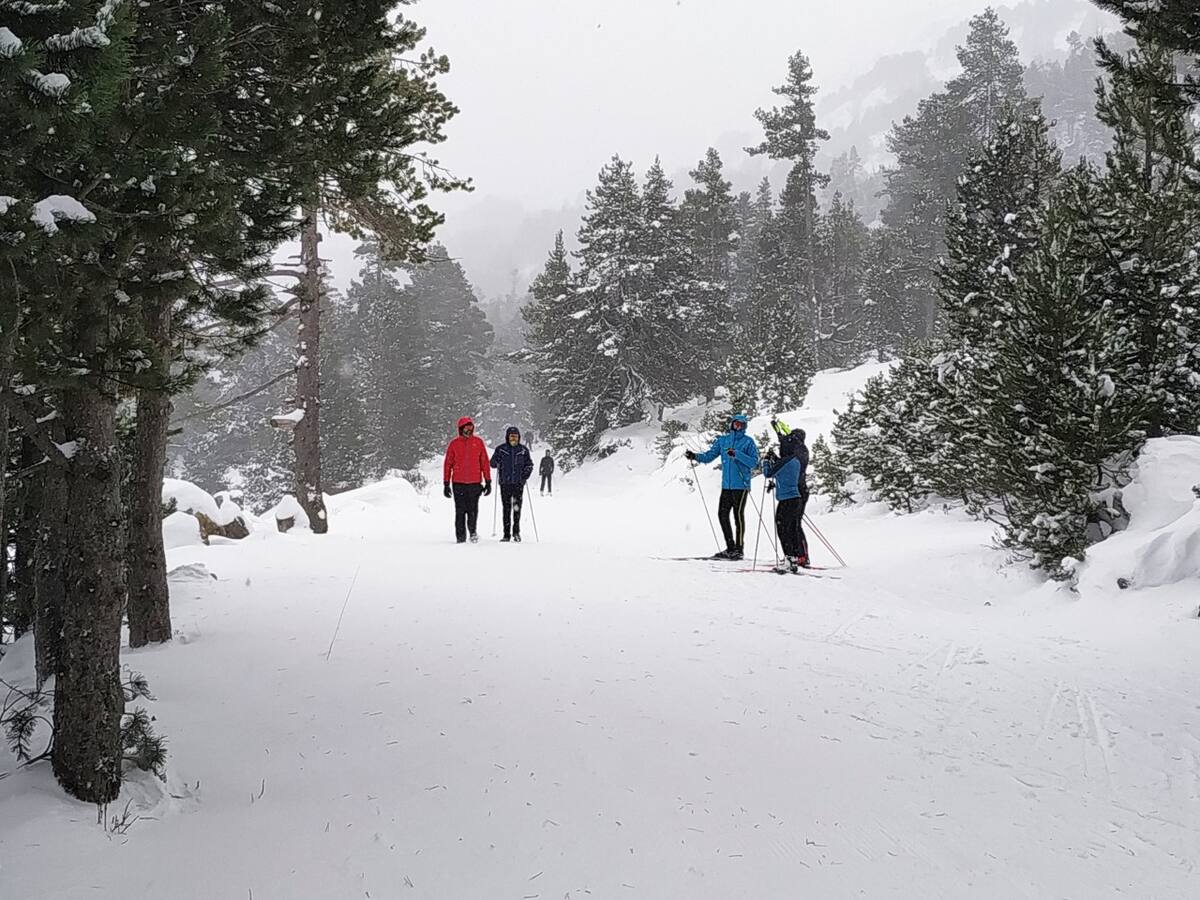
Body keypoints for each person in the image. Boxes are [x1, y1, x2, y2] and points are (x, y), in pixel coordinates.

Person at [685, 413, 760, 560]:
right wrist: (694, 456)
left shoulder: (748, 442)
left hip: (741, 486)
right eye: (735, 423)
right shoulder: (723, 441)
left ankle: (739, 550)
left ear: (744, 426)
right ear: (731, 424)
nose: (737, 426)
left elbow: (754, 463)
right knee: (722, 515)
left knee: (738, 517)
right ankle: (730, 547)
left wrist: (737, 454)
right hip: (727, 486)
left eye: (740, 424)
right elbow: (709, 456)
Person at [763, 419, 810, 571]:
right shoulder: (798, 457)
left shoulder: (791, 457)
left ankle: (791, 559)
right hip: (795, 496)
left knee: (784, 528)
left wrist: (766, 461)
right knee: (793, 527)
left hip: (788, 498)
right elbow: (783, 468)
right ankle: (796, 557)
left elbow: (769, 472)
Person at [442, 416, 491, 543]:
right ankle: (460, 537)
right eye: (466, 428)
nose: (468, 430)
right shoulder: (454, 444)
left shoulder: (478, 442)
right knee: (460, 511)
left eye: (470, 427)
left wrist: (488, 481)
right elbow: (448, 464)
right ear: (461, 429)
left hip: (475, 483)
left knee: (473, 510)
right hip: (458, 483)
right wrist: (446, 483)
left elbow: (484, 462)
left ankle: (473, 532)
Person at [490, 426, 534, 542]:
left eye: (515, 436)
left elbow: (529, 465)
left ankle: (516, 533)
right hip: (505, 484)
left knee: (517, 509)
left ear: (519, 437)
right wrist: (496, 461)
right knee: (506, 509)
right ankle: (506, 534)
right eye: (511, 436)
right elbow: (492, 463)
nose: (513, 438)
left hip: (518, 484)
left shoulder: (523, 450)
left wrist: (525, 475)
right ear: (507, 437)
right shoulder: (501, 449)